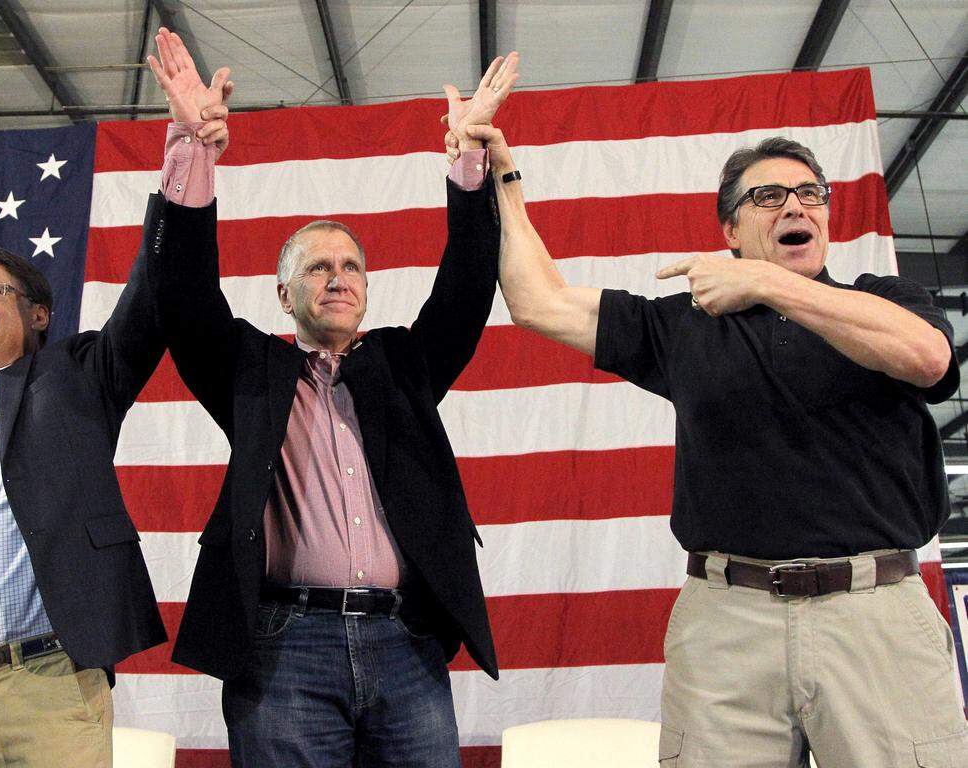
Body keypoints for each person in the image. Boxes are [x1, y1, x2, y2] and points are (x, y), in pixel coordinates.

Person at [444, 116, 968, 765]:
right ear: (730, 230)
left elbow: (927, 359)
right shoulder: (684, 327)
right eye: (769, 196)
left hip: (876, 618)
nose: (796, 205)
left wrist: (767, 281)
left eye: (810, 194)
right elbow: (538, 301)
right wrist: (502, 176)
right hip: (727, 623)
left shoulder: (886, 299)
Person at [143, 29, 516, 767]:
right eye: (317, 268)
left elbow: (469, 288)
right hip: (284, 648)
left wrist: (469, 158)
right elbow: (182, 295)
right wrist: (192, 152)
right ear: (284, 294)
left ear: (368, 290)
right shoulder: (251, 371)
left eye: (351, 266)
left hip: (405, 643)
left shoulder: (404, 367)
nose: (337, 278)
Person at [0, 233, 168, 763]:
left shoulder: (75, 379)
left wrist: (184, 183)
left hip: (42, 688)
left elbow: (147, 306)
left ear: (39, 314)